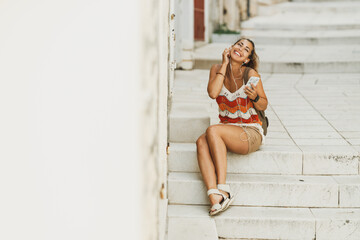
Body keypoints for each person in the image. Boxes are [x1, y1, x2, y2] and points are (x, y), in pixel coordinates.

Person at [196, 38, 268, 216]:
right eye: (239, 45)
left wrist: (255, 98)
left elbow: (264, 105)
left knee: (212, 130)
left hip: (250, 131)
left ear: (246, 59)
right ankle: (214, 195)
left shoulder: (250, 74)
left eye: (246, 50)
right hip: (228, 130)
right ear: (231, 48)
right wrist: (224, 64)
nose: (241, 49)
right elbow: (213, 93)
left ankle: (223, 189)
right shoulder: (216, 69)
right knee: (201, 141)